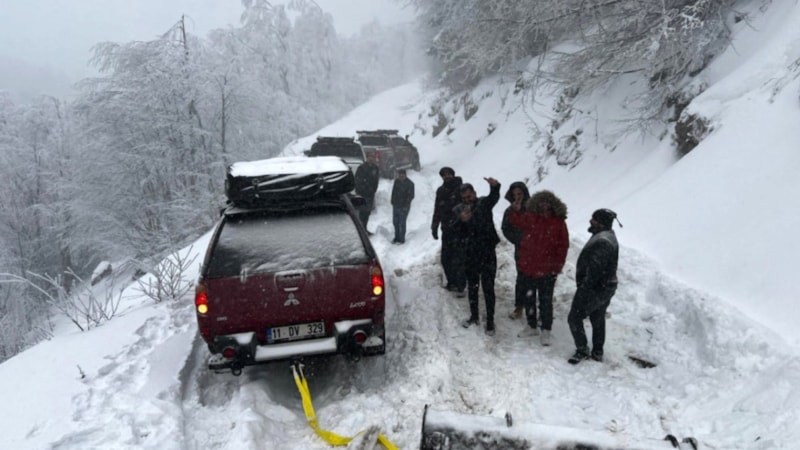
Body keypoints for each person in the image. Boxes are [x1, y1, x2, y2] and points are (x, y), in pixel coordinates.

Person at [508, 190, 569, 346]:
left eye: (547, 203)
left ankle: (546, 330)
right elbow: (516, 222)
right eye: (541, 203)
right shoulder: (530, 217)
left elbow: (563, 246)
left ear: (553, 205)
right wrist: (514, 210)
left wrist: (557, 266)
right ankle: (532, 325)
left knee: (545, 301)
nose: (544, 206)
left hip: (548, 270)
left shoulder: (558, 222)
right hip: (528, 267)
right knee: (529, 298)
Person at [567, 209, 620, 364]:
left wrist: (584, 290)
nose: (590, 221)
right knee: (597, 317)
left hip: (595, 288)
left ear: (602, 223)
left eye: (594, 219)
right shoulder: (607, 235)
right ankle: (597, 352)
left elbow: (595, 271)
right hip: (606, 286)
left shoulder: (603, 241)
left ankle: (582, 350)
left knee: (574, 317)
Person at [452, 177, 501, 336]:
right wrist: (461, 221)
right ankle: (474, 316)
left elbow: (494, 198)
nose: (468, 199)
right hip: (470, 254)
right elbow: (453, 231)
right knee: (473, 287)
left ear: (474, 193)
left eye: (469, 196)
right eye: (464, 198)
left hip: (487, 252)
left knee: (488, 288)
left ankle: (491, 321)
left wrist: (495, 187)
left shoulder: (483, 204)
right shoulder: (459, 210)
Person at [431, 167, 465, 295]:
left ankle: (461, 285)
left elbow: (469, 205)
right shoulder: (440, 191)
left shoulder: (461, 188)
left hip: (460, 229)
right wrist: (434, 226)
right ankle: (452, 282)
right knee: (446, 258)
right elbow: (437, 209)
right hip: (446, 229)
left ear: (452, 174)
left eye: (449, 174)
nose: (447, 177)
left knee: (459, 257)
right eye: (444, 175)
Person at [501, 182, 531, 320]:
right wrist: (519, 239)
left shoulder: (533, 208)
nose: (517, 197)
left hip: (537, 249)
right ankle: (519, 307)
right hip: (521, 249)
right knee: (522, 278)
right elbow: (506, 229)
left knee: (537, 279)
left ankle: (536, 309)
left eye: (519, 194)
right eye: (514, 195)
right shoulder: (509, 211)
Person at [354, 152, 380, 233]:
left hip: (370, 194)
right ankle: (361, 231)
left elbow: (376, 181)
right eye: (369, 157)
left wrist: (373, 190)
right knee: (362, 213)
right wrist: (361, 191)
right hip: (362, 194)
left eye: (373, 157)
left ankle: (365, 228)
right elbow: (357, 181)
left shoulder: (375, 168)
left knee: (367, 213)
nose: (371, 158)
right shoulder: (361, 168)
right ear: (367, 157)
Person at [390, 169, 415, 244]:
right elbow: (393, 192)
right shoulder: (396, 182)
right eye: (400, 175)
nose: (401, 176)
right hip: (396, 205)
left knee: (402, 222)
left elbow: (411, 196)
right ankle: (396, 237)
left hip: (404, 206)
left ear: (405, 175)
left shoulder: (410, 184)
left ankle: (402, 239)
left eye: (402, 175)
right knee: (395, 222)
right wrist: (392, 201)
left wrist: (405, 204)